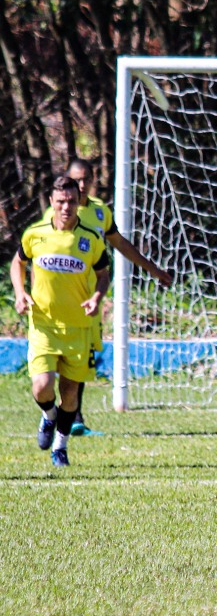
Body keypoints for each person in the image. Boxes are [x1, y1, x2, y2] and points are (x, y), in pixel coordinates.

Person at [55, 158, 174, 435]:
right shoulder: (57, 214)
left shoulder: (99, 212)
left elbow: (120, 244)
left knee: (82, 360)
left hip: (89, 299)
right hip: (61, 298)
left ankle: (74, 419)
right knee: (58, 361)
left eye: (86, 179)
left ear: (93, 180)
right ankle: (57, 414)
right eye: (76, 180)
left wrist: (154, 270)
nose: (81, 185)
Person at [10, 176, 111, 467]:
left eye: (71, 201)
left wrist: (96, 297)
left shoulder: (90, 239)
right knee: (41, 387)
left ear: (79, 202)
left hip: (79, 326)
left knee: (70, 394)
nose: (67, 207)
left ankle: (60, 447)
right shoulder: (35, 234)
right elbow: (18, 262)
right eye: (61, 201)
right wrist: (20, 293)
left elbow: (104, 273)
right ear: (52, 203)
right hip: (43, 325)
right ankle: (48, 415)